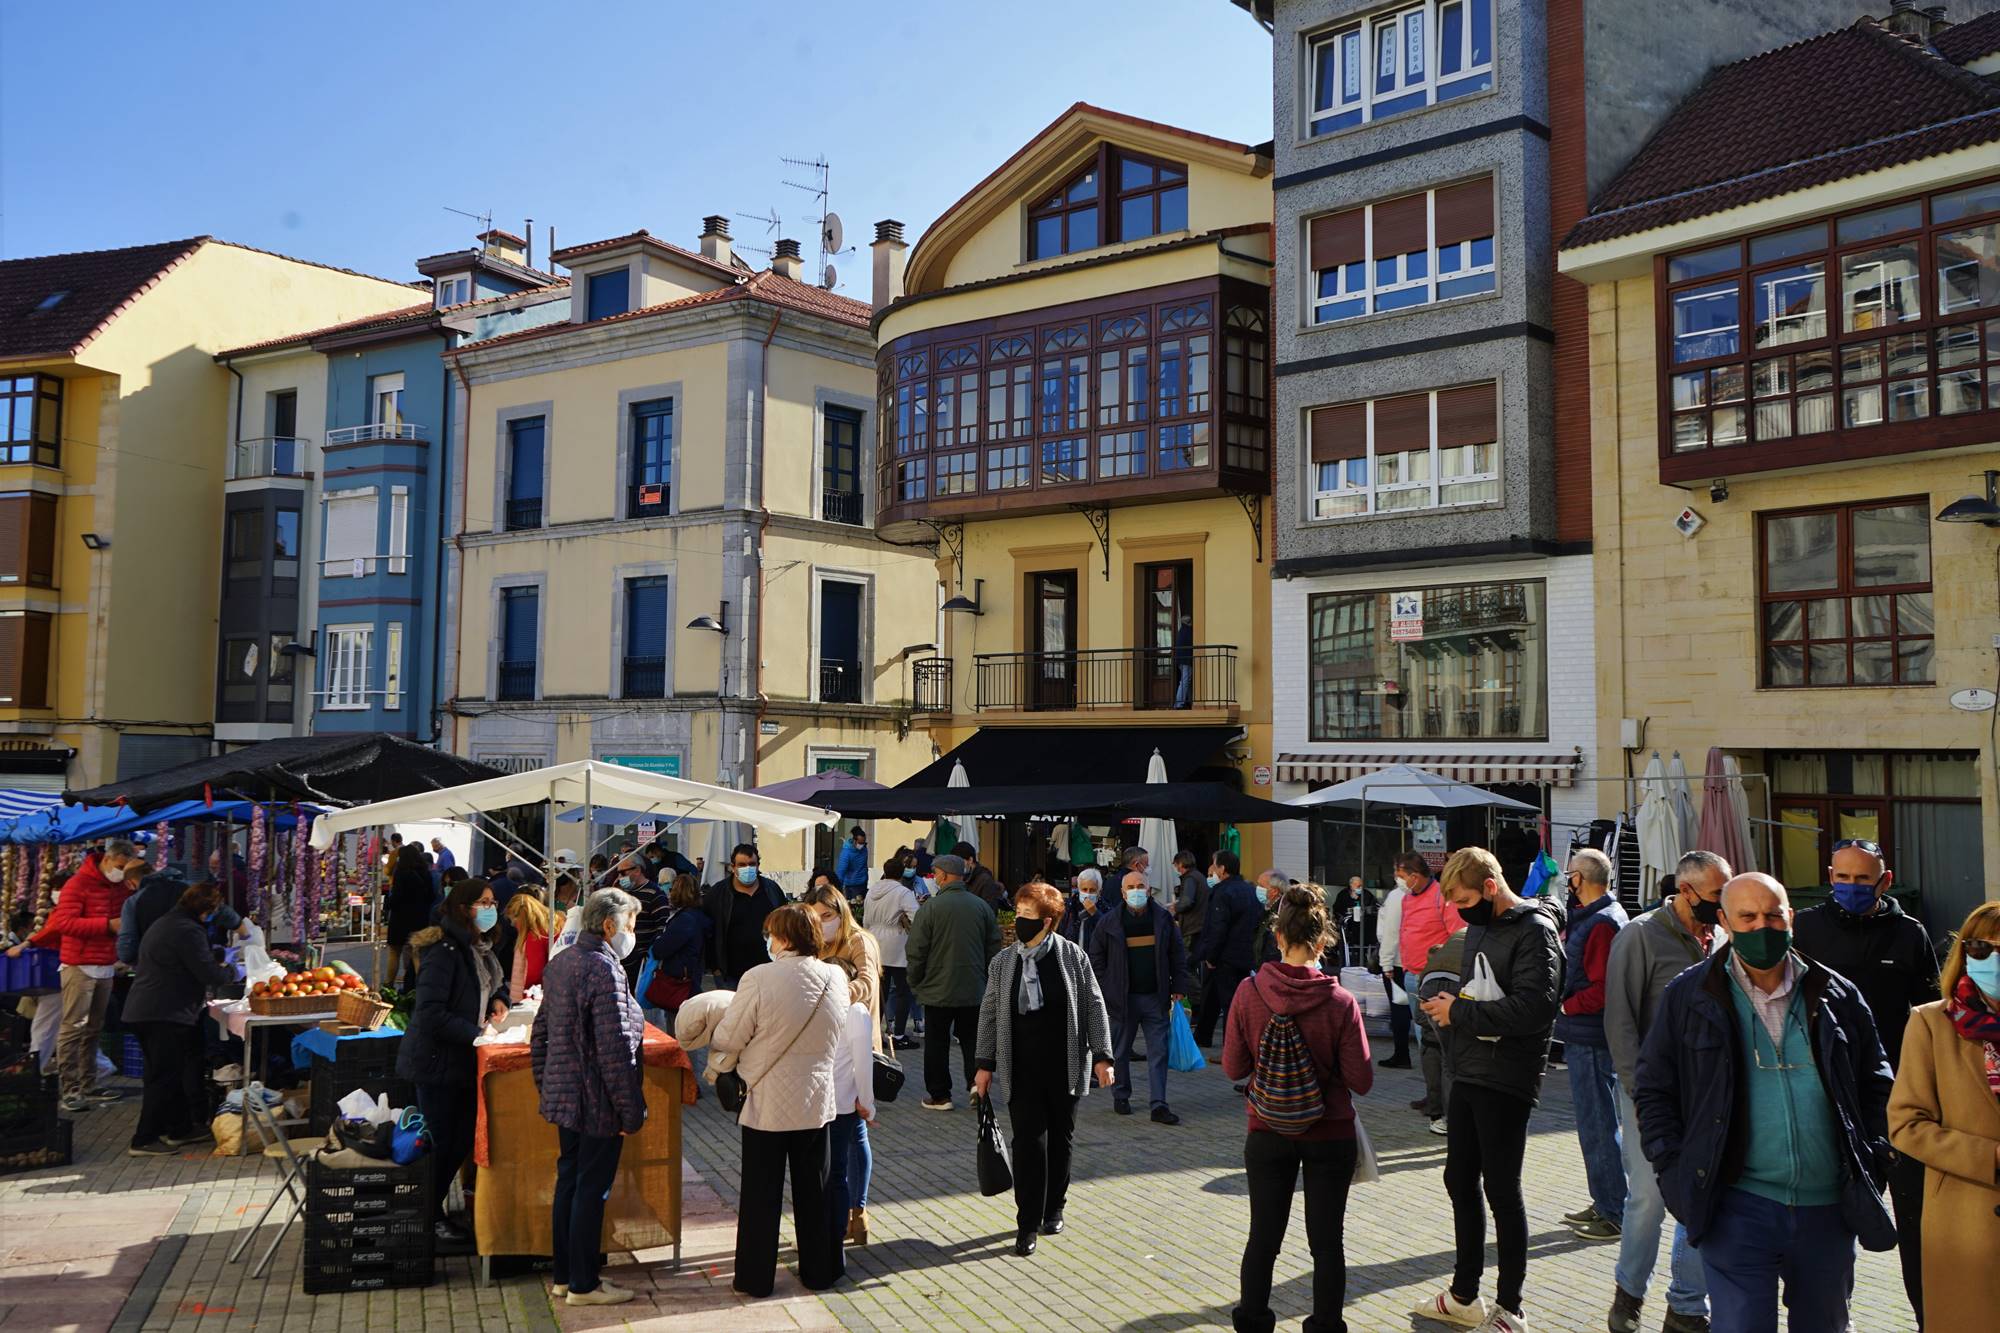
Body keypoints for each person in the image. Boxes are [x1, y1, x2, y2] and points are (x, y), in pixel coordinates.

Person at [1635, 873, 1895, 1333]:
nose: (1763, 927)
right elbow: (1655, 1090)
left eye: (1774, 915)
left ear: (1791, 917)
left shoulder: (1836, 994)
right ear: (1724, 922)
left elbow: (1878, 1084)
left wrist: (1873, 1158)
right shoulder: (1689, 996)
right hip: (1737, 1207)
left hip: (1828, 1210)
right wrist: (1675, 1173)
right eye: (1748, 917)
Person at [1412, 847, 1561, 1333]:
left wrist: (1460, 1013)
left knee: (1501, 1188)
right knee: (1458, 1178)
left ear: (1491, 889)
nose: (1460, 910)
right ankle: (1463, 1295)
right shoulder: (1479, 926)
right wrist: (1450, 1009)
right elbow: (1477, 990)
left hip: (1508, 1077)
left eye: (1466, 899)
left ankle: (1511, 1308)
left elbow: (1534, 1011)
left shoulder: (1536, 931)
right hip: (1470, 1068)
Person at [1791, 838, 1937, 1327]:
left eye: (1862, 879)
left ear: (1885, 881)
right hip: (1826, 1098)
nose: (1851, 888)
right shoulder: (1805, 928)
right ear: (1830, 876)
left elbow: (1932, 1019)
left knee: (1916, 1227)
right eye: (1842, 878)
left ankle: (1928, 1319)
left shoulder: (1909, 934)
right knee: (1831, 1224)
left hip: (1900, 1103)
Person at [1223, 885, 1374, 1333]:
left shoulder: (1249, 993)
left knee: (1263, 1239)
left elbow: (1233, 1066)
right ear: (1323, 940)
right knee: (1327, 1244)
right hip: (1330, 1133)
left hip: (1267, 1129)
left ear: (1277, 937)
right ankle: (1326, 1325)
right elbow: (1362, 1081)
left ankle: (1253, 1320)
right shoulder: (1341, 1001)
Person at [1602, 850, 1725, 1333]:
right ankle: (1628, 1296)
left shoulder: (1721, 937)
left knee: (1703, 1198)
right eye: (1717, 895)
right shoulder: (1639, 935)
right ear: (1687, 891)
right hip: (1650, 1095)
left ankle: (1687, 1307)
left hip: (1709, 1097)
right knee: (1650, 1200)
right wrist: (1639, 1094)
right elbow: (1620, 1022)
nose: (1724, 904)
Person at [709, 904, 846, 1297]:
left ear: (783, 938)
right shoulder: (834, 977)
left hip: (766, 1099)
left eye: (771, 933)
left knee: (760, 1195)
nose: (767, 940)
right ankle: (821, 1271)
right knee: (815, 1191)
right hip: (816, 1098)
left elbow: (731, 1036)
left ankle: (755, 1280)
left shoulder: (758, 977)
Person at [972, 881, 1114, 1256]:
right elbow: (988, 1014)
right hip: (1021, 1068)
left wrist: (1103, 1056)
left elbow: (1094, 1006)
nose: (1019, 921)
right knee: (1028, 1143)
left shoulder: (1072, 957)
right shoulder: (1003, 962)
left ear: (1048, 921)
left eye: (1027, 916)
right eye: (1018, 914)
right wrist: (984, 1065)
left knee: (1060, 1140)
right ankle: (1026, 1223)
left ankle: (1055, 1208)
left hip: (1064, 1065)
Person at [1888, 900, 2000, 1333]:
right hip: (1965, 1226)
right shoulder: (1931, 1023)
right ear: (1964, 954)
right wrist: (1989, 1155)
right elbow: (1906, 1124)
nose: (1992, 959)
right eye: (1981, 948)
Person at [530, 887, 645, 1307]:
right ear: (610, 925)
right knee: (589, 1189)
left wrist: (547, 1084)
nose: (632, 933)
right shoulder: (603, 969)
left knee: (571, 1183)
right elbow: (615, 1048)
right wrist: (631, 1109)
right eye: (630, 925)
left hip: (568, 1095)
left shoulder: (563, 963)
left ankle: (567, 1276)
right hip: (595, 1098)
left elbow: (539, 1034)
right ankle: (583, 1284)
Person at [396, 876, 510, 1252]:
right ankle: (425, 1218)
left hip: (461, 1059)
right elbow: (429, 1013)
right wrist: (474, 1035)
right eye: (485, 902)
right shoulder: (443, 952)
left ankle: (430, 1213)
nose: (492, 908)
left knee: (458, 1140)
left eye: (493, 901)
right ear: (464, 908)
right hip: (436, 1062)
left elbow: (491, 984)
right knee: (444, 1143)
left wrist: (498, 999)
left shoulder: (479, 949)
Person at [10, 838, 142, 1113]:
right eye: (119, 866)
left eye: (125, 868)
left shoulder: (121, 888)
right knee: (72, 1028)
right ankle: (69, 1089)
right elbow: (65, 923)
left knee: (94, 1029)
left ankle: (88, 1084)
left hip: (105, 964)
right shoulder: (77, 885)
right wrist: (107, 925)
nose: (121, 872)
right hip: (79, 965)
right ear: (108, 859)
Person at [121, 881, 236, 1155]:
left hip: (149, 1009)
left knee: (165, 1073)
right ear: (206, 909)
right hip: (163, 1011)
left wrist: (216, 956)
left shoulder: (170, 922)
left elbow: (189, 960)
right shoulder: (186, 930)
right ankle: (144, 1139)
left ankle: (179, 1129)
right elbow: (208, 973)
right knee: (163, 1076)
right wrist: (233, 972)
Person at [1554, 848, 1629, 1243]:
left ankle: (1613, 1209)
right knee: (1597, 1122)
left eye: (1570, 875)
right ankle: (1606, 1201)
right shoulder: (1601, 917)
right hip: (1587, 1031)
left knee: (1597, 1123)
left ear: (1580, 878)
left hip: (1589, 1032)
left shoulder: (1601, 921)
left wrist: (1566, 1004)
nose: (1568, 882)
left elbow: (1601, 987)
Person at [803, 884, 884, 1244]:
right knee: (851, 1133)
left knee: (855, 1132)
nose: (822, 923)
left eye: (828, 916)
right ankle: (855, 1214)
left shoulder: (858, 941)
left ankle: (857, 1210)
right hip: (826, 1049)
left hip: (857, 1041)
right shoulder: (815, 943)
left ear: (841, 913)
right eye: (816, 917)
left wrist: (830, 995)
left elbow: (867, 984)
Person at [1088, 869, 1191, 1124]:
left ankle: (1159, 1103)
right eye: (1131, 887)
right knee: (1120, 1052)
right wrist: (1106, 987)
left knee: (1159, 1052)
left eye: (1140, 886)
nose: (1136, 891)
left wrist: (1178, 985)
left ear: (1149, 889)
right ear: (1123, 893)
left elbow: (1177, 955)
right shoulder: (1109, 922)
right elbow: (1096, 959)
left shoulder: (1163, 919)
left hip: (1155, 997)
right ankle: (1121, 1095)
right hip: (1121, 999)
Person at [906, 853, 1000, 1111]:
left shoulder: (930, 909)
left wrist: (915, 982)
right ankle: (976, 1085)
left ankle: (940, 1095)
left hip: (937, 989)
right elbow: (994, 948)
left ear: (945, 876)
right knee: (973, 1040)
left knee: (937, 1043)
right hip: (974, 988)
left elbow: (916, 951)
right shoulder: (980, 907)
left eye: (935, 874)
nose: (934, 878)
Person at [1397, 853, 1464, 1128]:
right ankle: (1433, 1096)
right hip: (1412, 975)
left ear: (1414, 875)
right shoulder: (1406, 898)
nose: (1399, 881)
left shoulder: (1441, 897)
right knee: (1425, 1044)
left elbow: (1457, 935)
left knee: (1437, 1043)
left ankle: (1445, 1102)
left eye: (1401, 876)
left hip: (1436, 979)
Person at [820, 952, 878, 1263]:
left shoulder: (849, 1010)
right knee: (841, 1164)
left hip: (837, 1101)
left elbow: (863, 1063)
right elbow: (863, 1062)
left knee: (837, 1169)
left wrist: (866, 1102)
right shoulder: (852, 1011)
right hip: (840, 1100)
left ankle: (846, 1222)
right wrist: (867, 1102)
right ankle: (854, 1217)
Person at [1194, 850, 1258, 1047]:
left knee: (1229, 1002)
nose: (1211, 870)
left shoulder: (1222, 892)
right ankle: (1202, 1035)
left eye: (1214, 865)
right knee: (1212, 996)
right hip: (1244, 954)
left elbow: (1218, 927)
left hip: (1224, 956)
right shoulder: (1249, 890)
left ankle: (1233, 1045)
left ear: (1222, 869)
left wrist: (1211, 956)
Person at [703, 844, 787, 989]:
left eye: (751, 864)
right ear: (733, 867)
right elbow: (707, 930)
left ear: (758, 865)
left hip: (769, 971)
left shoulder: (772, 890)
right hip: (731, 975)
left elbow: (786, 924)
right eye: (742, 865)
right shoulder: (718, 894)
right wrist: (715, 967)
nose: (747, 868)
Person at [863, 851, 922, 1051]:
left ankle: (872, 1034)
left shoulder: (872, 891)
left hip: (874, 942)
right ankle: (898, 1034)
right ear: (900, 873)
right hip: (896, 944)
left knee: (879, 991)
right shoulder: (902, 892)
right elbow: (917, 916)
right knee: (903, 991)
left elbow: (866, 920)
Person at [643, 875, 712, 1040]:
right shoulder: (698, 917)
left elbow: (661, 949)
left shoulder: (684, 920)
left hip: (679, 983)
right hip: (691, 980)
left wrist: (656, 941)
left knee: (678, 1036)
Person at [1375, 875, 1413, 1069]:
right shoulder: (1433, 893)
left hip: (1398, 961)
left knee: (1399, 1008)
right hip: (1420, 960)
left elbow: (1389, 932)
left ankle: (1401, 1054)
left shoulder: (1396, 896)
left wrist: (1386, 963)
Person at [503, 889, 554, 1001]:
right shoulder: (553, 926)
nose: (513, 924)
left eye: (514, 920)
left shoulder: (534, 936)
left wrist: (527, 998)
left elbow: (533, 973)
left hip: (533, 997)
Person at [1060, 868, 1111, 953]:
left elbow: (1109, 933)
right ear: (1079, 889)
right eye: (1084, 889)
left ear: (1099, 892)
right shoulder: (1069, 908)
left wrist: (1095, 913)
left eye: (1092, 890)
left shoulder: (1106, 909)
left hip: (1095, 962)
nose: (1088, 893)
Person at [1173, 851, 1208, 961]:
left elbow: (1187, 902)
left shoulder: (1190, 878)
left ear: (1180, 864)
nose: (1175, 868)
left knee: (1187, 962)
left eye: (1175, 864)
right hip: (1199, 925)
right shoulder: (1198, 876)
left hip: (1192, 928)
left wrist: (1175, 908)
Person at [1250, 869, 1287, 969]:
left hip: (1271, 972)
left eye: (1261, 886)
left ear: (1274, 891)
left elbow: (1274, 952)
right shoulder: (1266, 909)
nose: (1257, 889)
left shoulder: (1282, 913)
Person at [960, 842, 1004, 912]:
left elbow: (991, 910)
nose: (957, 865)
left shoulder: (985, 880)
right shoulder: (962, 878)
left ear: (970, 860)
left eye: (959, 861)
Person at [835, 827, 872, 903]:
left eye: (864, 843)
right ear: (854, 841)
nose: (862, 845)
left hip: (863, 883)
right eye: (860, 843)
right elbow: (841, 871)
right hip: (851, 886)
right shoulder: (846, 853)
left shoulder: (864, 849)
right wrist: (838, 888)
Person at [1171, 612, 1195, 709]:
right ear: (1190, 622)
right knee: (1185, 681)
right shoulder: (1188, 631)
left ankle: (1190, 701)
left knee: (1187, 681)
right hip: (1186, 660)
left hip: (1181, 661)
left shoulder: (1181, 631)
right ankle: (1179, 704)